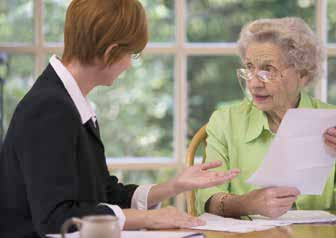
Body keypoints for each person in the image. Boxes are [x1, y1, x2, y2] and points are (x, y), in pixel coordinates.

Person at [0, 1, 241, 237]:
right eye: (132, 53)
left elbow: (104, 194)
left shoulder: (68, 101)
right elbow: (55, 218)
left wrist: (173, 186)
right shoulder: (50, 108)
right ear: (111, 52)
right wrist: (149, 218)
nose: (129, 64)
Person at [196, 17, 336, 218]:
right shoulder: (226, 122)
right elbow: (207, 199)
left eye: (268, 70)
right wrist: (246, 203)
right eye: (250, 68)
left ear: (303, 74)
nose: (254, 84)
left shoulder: (333, 122)